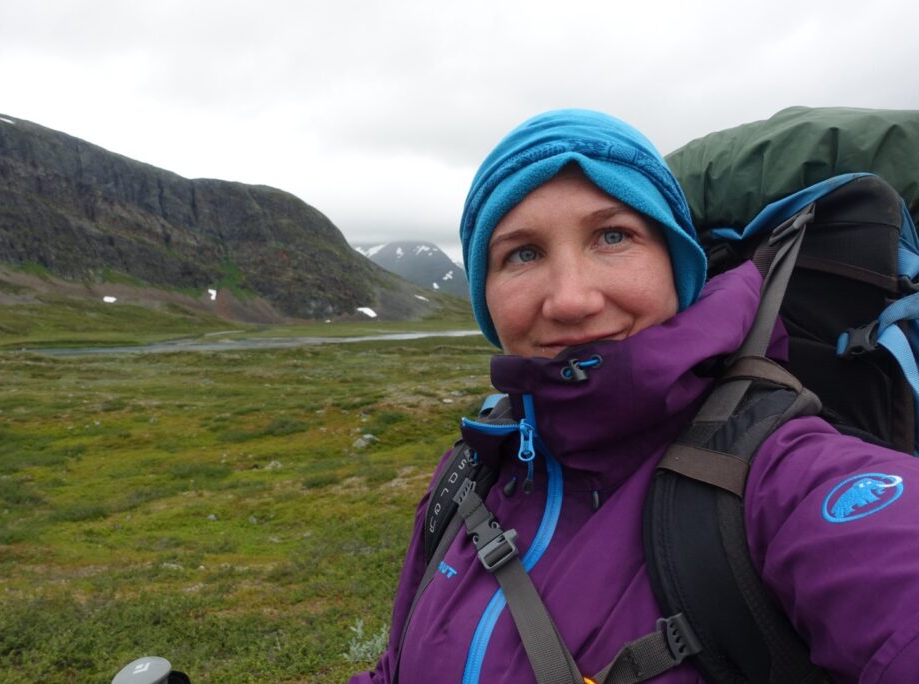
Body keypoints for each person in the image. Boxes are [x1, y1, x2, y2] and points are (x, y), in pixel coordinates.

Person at [349, 109, 919, 683]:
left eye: (613, 235)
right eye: (522, 253)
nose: (570, 299)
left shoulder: (780, 478)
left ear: (678, 267)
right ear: (487, 299)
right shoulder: (468, 474)